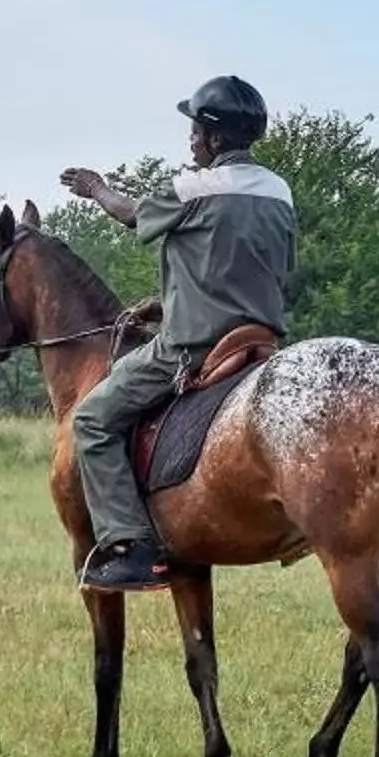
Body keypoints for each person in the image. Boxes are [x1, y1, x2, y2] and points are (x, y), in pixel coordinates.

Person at [57, 76, 295, 594]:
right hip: (263, 337)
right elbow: (240, 270)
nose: (189, 141)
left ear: (212, 138)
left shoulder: (195, 186)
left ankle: (129, 544)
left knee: (94, 419)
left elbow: (130, 214)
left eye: (194, 131)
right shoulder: (279, 191)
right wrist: (166, 302)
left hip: (193, 346)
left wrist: (97, 189)